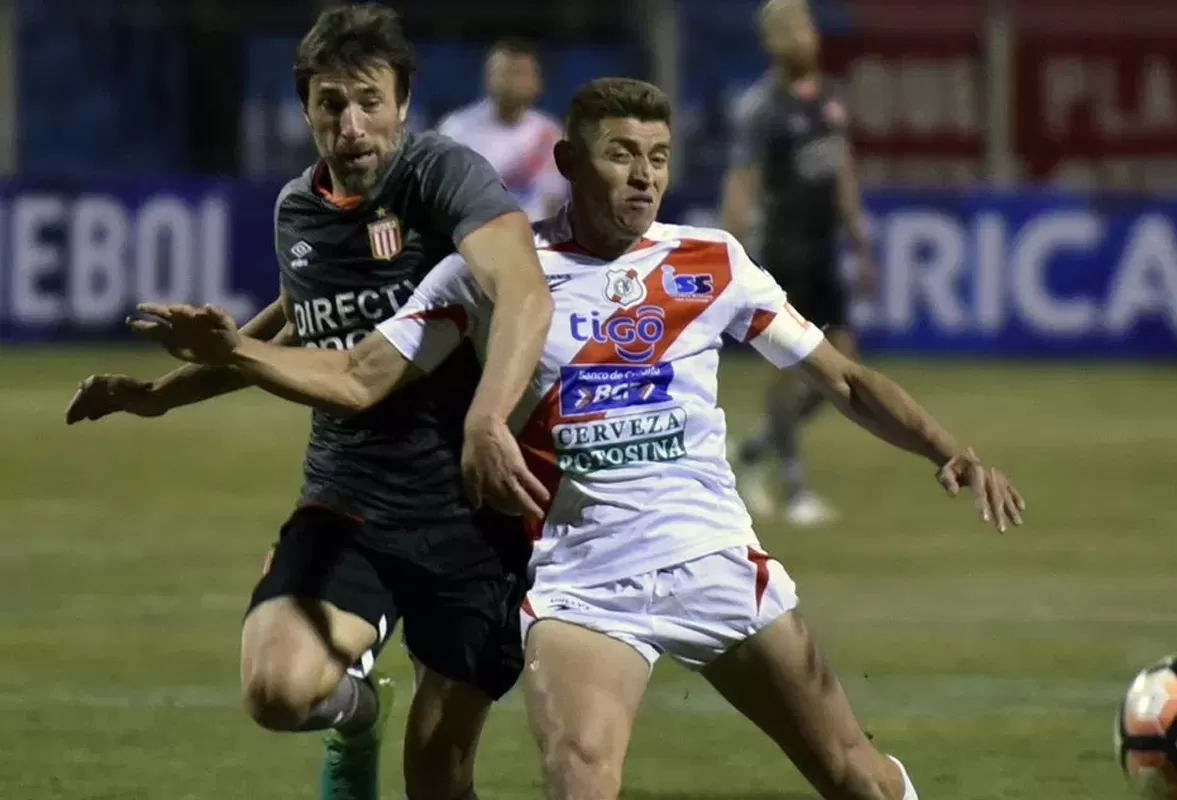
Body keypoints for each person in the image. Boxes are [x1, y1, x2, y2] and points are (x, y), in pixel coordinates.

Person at [130, 76, 1025, 800]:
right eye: (622, 155)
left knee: (853, 777)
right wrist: (237, 356)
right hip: (584, 583)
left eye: (659, 159)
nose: (644, 177)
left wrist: (949, 446)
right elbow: (362, 374)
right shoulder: (494, 276)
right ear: (567, 161)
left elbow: (845, 379)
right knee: (580, 783)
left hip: (716, 557)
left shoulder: (710, 263)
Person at [64, 5, 553, 800]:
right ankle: (358, 716)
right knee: (276, 692)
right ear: (304, 109)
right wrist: (161, 395)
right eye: (331, 103)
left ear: (402, 102)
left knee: (438, 775)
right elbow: (292, 326)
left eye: (369, 101)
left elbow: (524, 289)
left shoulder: (442, 175)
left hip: (472, 512)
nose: (352, 125)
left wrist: (489, 414)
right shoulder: (299, 208)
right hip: (350, 498)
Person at [720, 0, 878, 526]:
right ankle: (794, 487)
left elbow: (844, 175)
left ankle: (752, 453)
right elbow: (743, 184)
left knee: (844, 370)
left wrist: (860, 245)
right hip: (785, 252)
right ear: (769, 43)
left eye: (803, 24)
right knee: (793, 369)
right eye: (784, 28)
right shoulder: (761, 108)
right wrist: (725, 252)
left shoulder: (831, 98)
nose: (798, 35)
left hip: (825, 250)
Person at [437, 40, 570, 220]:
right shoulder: (457, 129)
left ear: (537, 82)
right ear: (488, 78)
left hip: (533, 239)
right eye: (506, 74)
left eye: (521, 74)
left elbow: (554, 199)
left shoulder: (549, 133)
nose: (513, 83)